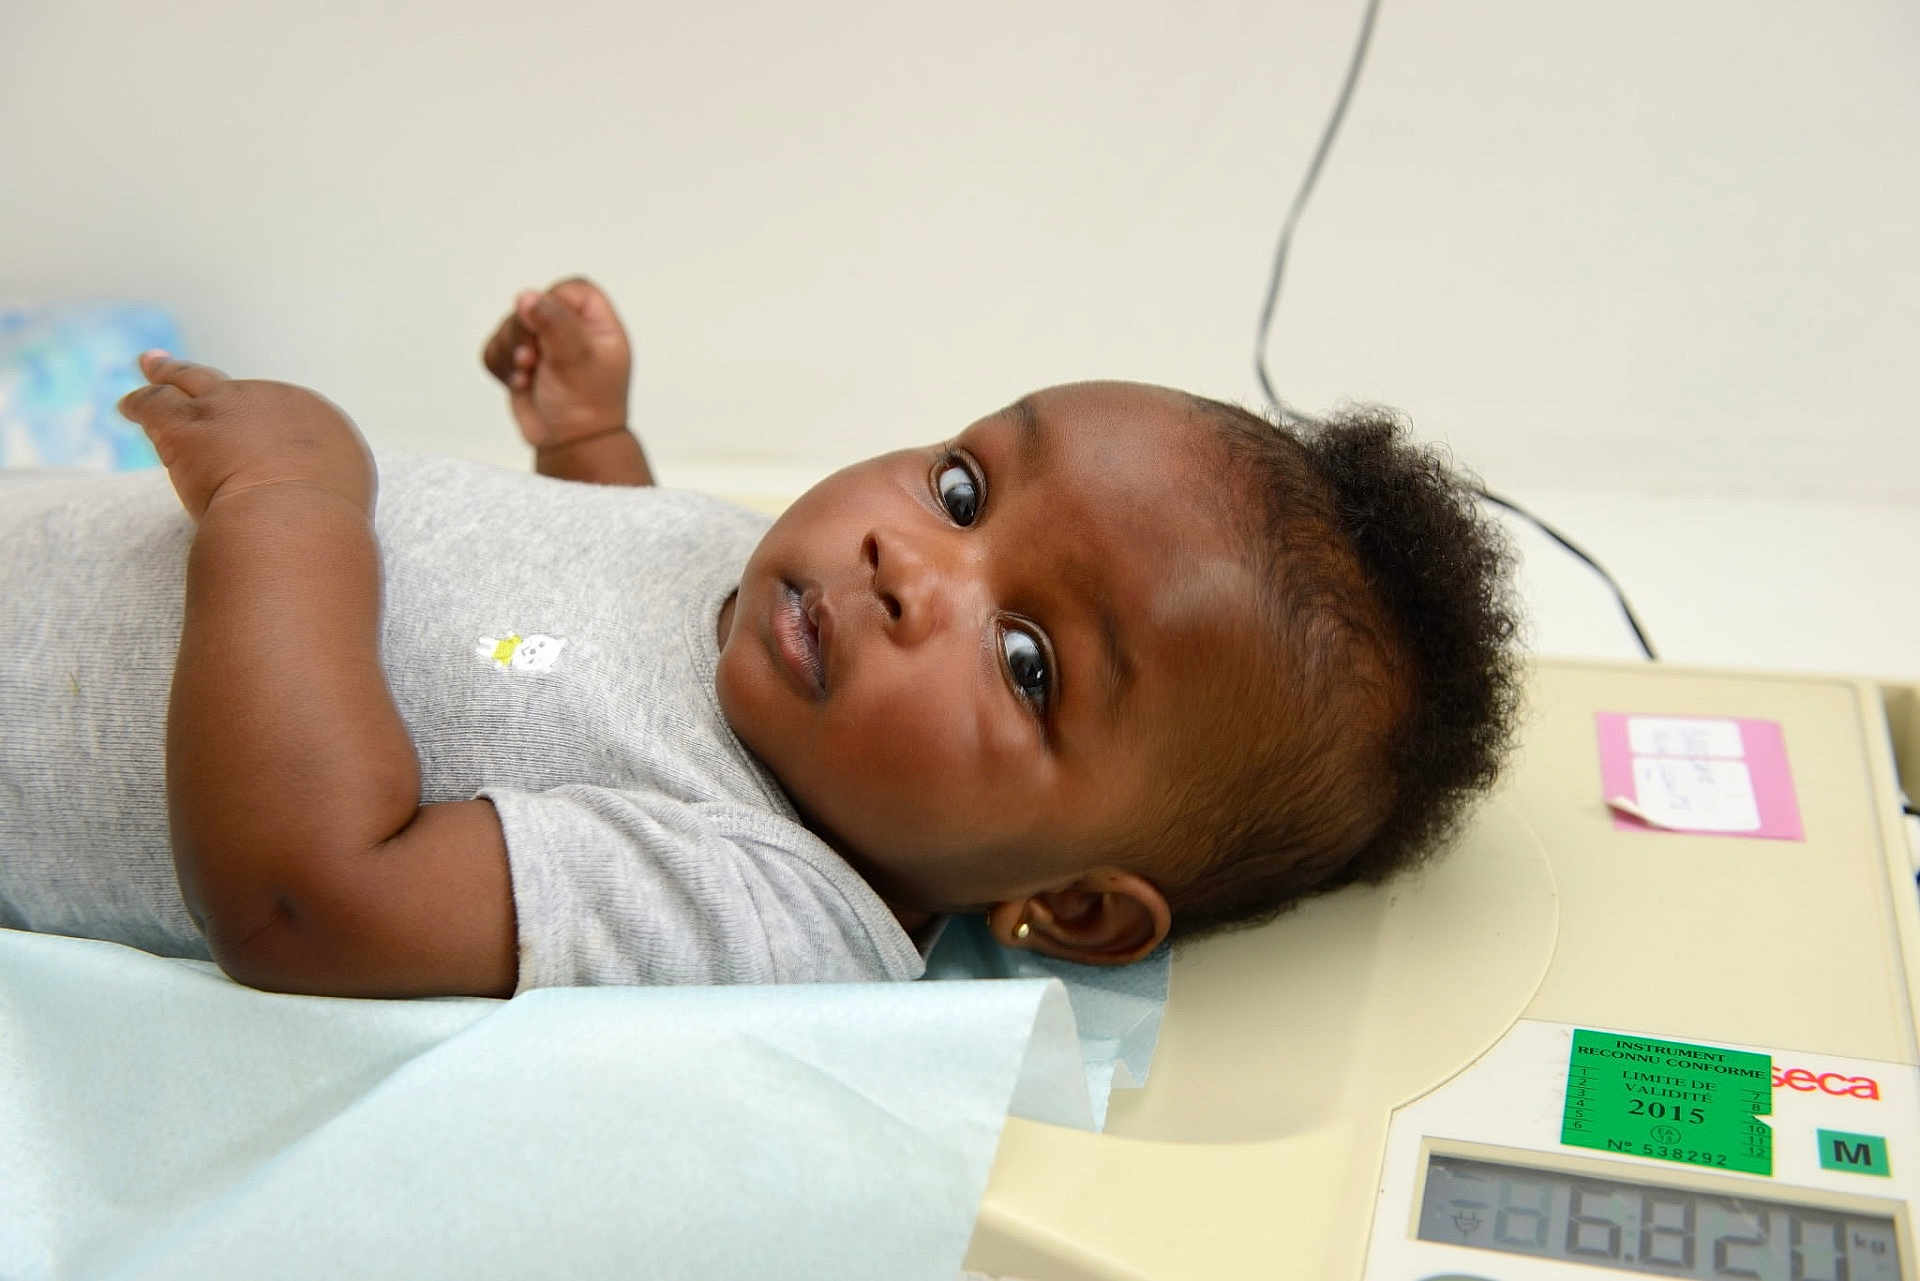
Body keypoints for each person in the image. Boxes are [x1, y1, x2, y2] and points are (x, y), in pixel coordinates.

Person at [0, 278, 1521, 1000]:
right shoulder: (793, 635)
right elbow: (604, 617)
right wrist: (594, 445)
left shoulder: (773, 907)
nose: (910, 561)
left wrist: (287, 508)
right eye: (966, 482)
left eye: (1030, 663)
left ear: (1072, 906)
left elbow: (308, 898)